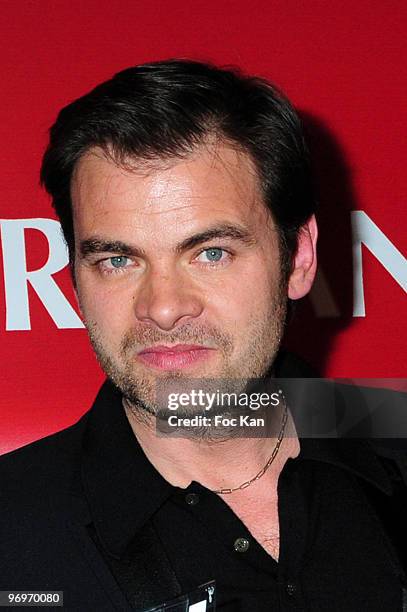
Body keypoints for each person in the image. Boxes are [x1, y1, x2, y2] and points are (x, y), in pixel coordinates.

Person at [0, 59, 406, 611]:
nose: (163, 307)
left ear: (299, 257)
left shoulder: (394, 433)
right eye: (118, 260)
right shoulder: (12, 532)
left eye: (211, 253)